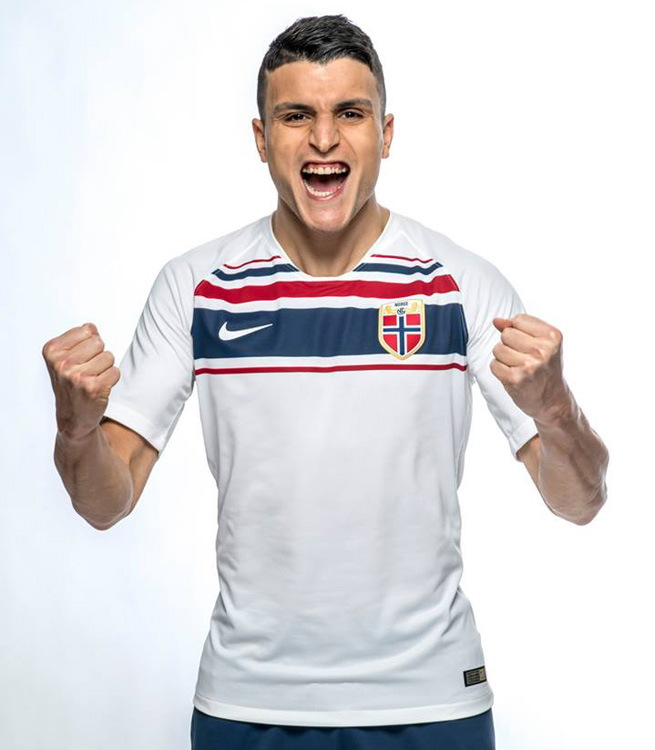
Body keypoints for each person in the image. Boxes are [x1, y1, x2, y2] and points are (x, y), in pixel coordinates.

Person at [42, 14, 610, 750]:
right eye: (295, 116)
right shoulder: (197, 287)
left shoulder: (460, 285)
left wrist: (556, 410)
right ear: (260, 138)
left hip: (433, 700)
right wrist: (76, 430)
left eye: (350, 113)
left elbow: (580, 502)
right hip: (247, 701)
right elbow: (104, 503)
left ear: (386, 132)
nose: (323, 139)